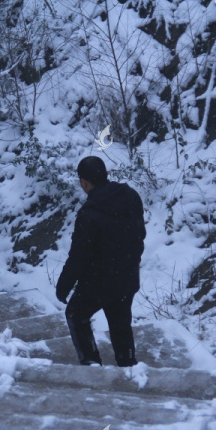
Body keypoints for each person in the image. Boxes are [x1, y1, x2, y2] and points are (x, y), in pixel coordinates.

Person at [55, 156, 146, 367]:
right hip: (127, 277)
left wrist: (64, 286)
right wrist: (130, 264)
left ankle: (92, 365)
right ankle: (129, 366)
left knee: (76, 315)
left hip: (98, 283)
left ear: (84, 182)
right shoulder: (131, 196)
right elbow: (139, 235)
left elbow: (78, 256)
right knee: (120, 323)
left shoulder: (89, 215)